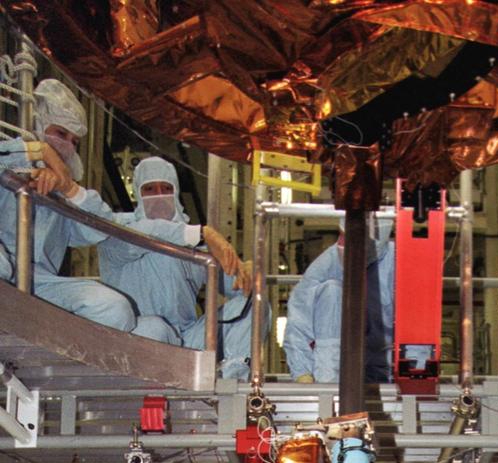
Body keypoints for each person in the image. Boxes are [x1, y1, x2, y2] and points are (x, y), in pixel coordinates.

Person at [0, 80, 170, 337]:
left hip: (39, 283)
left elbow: (98, 229)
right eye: (60, 133)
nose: (67, 145)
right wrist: (37, 152)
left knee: (115, 309)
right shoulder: (10, 159)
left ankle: (52, 349)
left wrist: (68, 187)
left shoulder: (62, 194)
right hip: (4, 270)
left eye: (74, 141)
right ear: (37, 125)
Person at [98, 156, 268, 381]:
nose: (159, 195)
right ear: (138, 193)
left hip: (187, 340)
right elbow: (150, 234)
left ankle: (232, 377)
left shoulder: (196, 248)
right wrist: (200, 233)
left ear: (176, 191)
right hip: (140, 336)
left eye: (166, 188)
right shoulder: (118, 231)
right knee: (155, 328)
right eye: (149, 189)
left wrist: (246, 273)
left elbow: (236, 287)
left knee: (255, 304)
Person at [282, 216, 394, 383]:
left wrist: (416, 380)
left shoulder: (399, 264)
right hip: (333, 372)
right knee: (331, 291)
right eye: (342, 234)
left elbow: (416, 329)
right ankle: (328, 384)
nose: (342, 243)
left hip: (385, 369)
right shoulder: (326, 265)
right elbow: (299, 321)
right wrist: (302, 373)